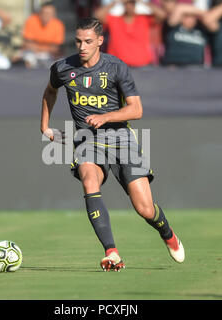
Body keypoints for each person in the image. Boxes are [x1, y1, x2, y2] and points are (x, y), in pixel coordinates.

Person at [40, 18, 185, 271]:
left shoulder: (117, 67)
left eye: (87, 41)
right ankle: (112, 252)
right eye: (78, 41)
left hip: (121, 139)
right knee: (89, 180)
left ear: (100, 41)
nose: (82, 46)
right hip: (87, 139)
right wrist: (44, 127)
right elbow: (50, 91)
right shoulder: (62, 68)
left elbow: (136, 109)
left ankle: (168, 234)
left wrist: (105, 117)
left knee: (145, 209)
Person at [94, 0, 167, 67]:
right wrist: (116, 2)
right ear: (124, 5)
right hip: (117, 66)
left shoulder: (143, 19)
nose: (130, 6)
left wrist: (142, 2)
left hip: (142, 66)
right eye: (127, 3)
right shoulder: (115, 19)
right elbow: (97, 16)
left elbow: (162, 15)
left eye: (132, 3)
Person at [15, 1, 65, 68]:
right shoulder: (31, 20)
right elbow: (27, 44)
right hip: (32, 53)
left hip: (50, 55)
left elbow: (56, 48)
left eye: (50, 13)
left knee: (61, 64)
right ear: (40, 13)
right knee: (27, 59)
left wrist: (38, 47)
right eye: (45, 13)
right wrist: (46, 48)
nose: (47, 16)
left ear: (54, 14)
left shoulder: (58, 25)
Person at [161, 1, 208, 67]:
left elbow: (209, 18)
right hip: (174, 68)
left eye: (193, 16)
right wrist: (204, 12)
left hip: (196, 69)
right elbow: (180, 9)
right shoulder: (171, 28)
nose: (190, 19)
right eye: (187, 16)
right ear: (181, 17)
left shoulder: (201, 29)